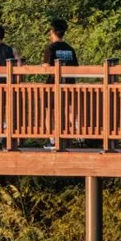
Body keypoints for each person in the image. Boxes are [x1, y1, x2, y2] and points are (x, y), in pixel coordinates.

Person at [42, 18, 79, 150]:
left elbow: (46, 67)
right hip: (68, 84)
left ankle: (52, 140)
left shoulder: (50, 48)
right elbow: (76, 68)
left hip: (53, 84)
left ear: (52, 32)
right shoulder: (70, 49)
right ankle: (73, 132)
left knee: (49, 112)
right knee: (69, 108)